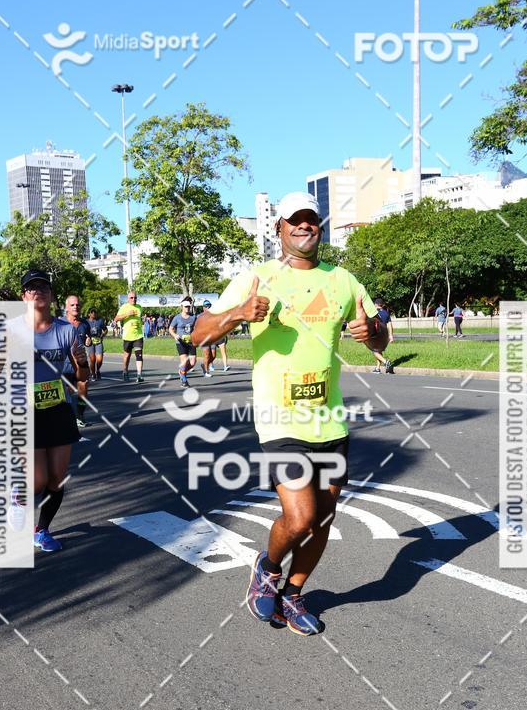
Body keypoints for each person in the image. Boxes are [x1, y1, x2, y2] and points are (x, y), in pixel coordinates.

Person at [192, 191, 387, 636]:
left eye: (311, 220)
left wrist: (370, 331)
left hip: (330, 419)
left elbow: (381, 342)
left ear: (320, 226)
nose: (304, 227)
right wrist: (240, 313)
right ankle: (268, 567)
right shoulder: (256, 277)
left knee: (323, 518)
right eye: (294, 221)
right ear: (278, 228)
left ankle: (295, 593)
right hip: (279, 419)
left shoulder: (344, 280)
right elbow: (200, 335)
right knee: (299, 517)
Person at [19, 269, 86, 551]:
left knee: (57, 478)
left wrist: (82, 365)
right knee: (37, 481)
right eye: (32, 288)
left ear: (51, 294)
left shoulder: (66, 330)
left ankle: (41, 530)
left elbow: (83, 375)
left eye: (43, 287)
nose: (38, 291)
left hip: (58, 409)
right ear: (24, 296)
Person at [64, 294, 92, 427]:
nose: (76, 307)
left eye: (78, 304)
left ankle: (80, 415)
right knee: (67, 391)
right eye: (72, 305)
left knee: (84, 385)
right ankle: (67, 416)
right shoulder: (60, 323)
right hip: (65, 364)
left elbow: (87, 340)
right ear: (67, 308)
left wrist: (88, 342)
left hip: (81, 362)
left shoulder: (85, 324)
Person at [114, 290, 144, 382]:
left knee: (139, 355)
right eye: (131, 298)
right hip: (127, 335)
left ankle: (139, 375)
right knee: (127, 356)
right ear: (128, 299)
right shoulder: (124, 307)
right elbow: (116, 319)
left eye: (135, 298)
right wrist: (127, 314)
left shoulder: (139, 307)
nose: (133, 299)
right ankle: (125, 370)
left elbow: (139, 319)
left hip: (138, 335)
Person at [169, 296, 198, 387]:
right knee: (184, 361)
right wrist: (175, 335)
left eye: (188, 307)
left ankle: (182, 371)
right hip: (181, 342)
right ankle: (184, 380)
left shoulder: (193, 317)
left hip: (191, 342)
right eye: (185, 307)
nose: (187, 308)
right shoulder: (177, 318)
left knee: (193, 363)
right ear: (182, 307)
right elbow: (170, 329)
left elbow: (197, 327)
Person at [371, 297, 394, 374]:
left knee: (374, 351)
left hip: (376, 334)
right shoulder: (386, 313)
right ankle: (377, 368)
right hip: (384, 335)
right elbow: (390, 325)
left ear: (376, 304)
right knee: (379, 351)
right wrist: (391, 336)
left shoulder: (373, 313)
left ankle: (386, 362)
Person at [86, 307, 107, 381]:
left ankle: (97, 370)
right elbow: (82, 331)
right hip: (90, 342)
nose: (93, 313)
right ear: (89, 314)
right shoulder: (86, 322)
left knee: (99, 359)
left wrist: (102, 335)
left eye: (95, 312)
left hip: (98, 341)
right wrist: (86, 338)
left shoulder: (100, 321)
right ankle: (93, 374)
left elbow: (105, 330)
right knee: (92, 360)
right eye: (92, 312)